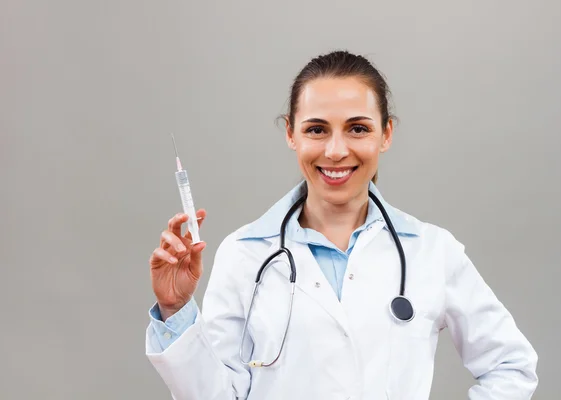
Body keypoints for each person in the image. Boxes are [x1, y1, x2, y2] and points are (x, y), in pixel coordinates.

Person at [146, 50, 538, 400]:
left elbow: (511, 368)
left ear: (386, 134)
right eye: (317, 129)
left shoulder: (432, 251)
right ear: (290, 134)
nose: (336, 151)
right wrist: (175, 308)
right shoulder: (245, 252)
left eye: (358, 128)